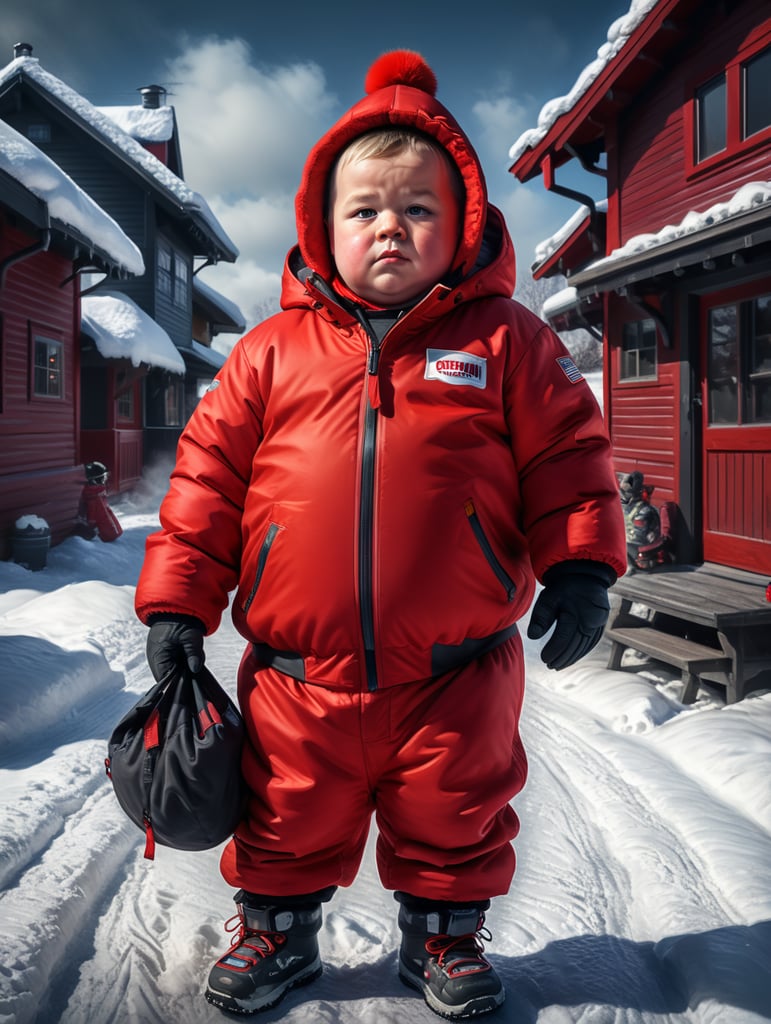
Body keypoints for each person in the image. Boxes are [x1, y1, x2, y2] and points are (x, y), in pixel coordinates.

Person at [135, 50, 627, 1020]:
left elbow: (570, 453)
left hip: (455, 667)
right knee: (282, 809)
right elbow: (206, 477)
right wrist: (177, 602)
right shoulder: (271, 353)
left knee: (456, 810)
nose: (390, 228)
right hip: (296, 671)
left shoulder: (504, 343)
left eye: (418, 210)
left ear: (464, 227)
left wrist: (578, 565)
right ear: (324, 227)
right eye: (365, 211)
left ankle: (443, 940)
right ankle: (276, 931)